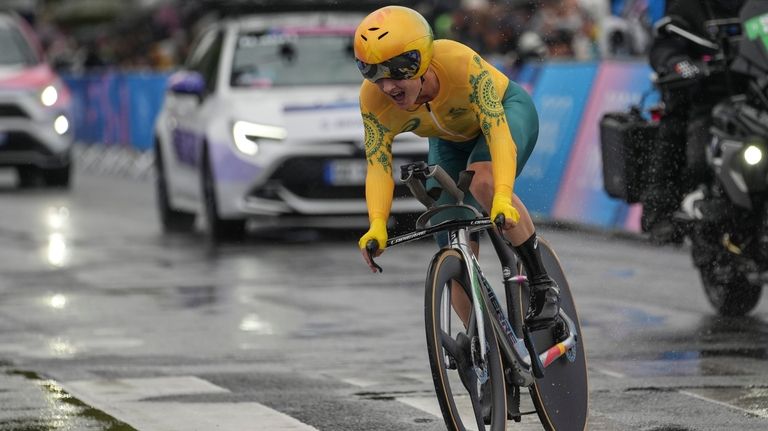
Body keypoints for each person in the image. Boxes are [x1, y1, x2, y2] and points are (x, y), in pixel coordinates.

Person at [353, 5, 559, 328]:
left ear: (418, 61)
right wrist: (377, 223)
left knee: (482, 183)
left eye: (394, 72)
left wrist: (501, 196)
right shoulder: (372, 100)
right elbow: (378, 165)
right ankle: (482, 342)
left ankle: (542, 283)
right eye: (372, 72)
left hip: (505, 115)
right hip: (448, 142)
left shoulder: (460, 63)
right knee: (449, 234)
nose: (386, 86)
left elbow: (497, 132)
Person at [641, 0, 746, 244]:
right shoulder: (689, 5)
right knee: (676, 115)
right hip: (707, 92)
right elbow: (665, 43)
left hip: (753, 91)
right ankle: (661, 207)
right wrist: (679, 63)